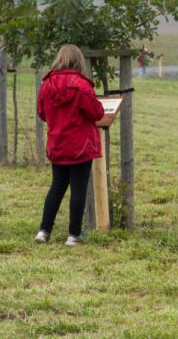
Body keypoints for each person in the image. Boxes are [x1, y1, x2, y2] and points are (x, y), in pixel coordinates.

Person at [35, 44, 104, 246]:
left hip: (57, 143)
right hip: (80, 146)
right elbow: (96, 113)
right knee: (78, 189)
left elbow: (42, 113)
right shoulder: (82, 86)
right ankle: (73, 235)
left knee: (56, 186)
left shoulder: (47, 84)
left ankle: (44, 231)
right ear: (78, 61)